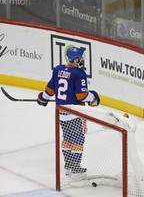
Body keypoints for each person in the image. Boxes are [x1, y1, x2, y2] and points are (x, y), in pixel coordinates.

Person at [37, 46, 100, 176]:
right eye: (81, 57)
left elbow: (50, 90)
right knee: (77, 139)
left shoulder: (58, 69)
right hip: (74, 113)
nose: (82, 59)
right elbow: (81, 96)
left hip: (61, 113)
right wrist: (93, 95)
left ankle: (68, 164)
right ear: (76, 59)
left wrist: (42, 98)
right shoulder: (79, 73)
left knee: (67, 138)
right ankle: (75, 167)